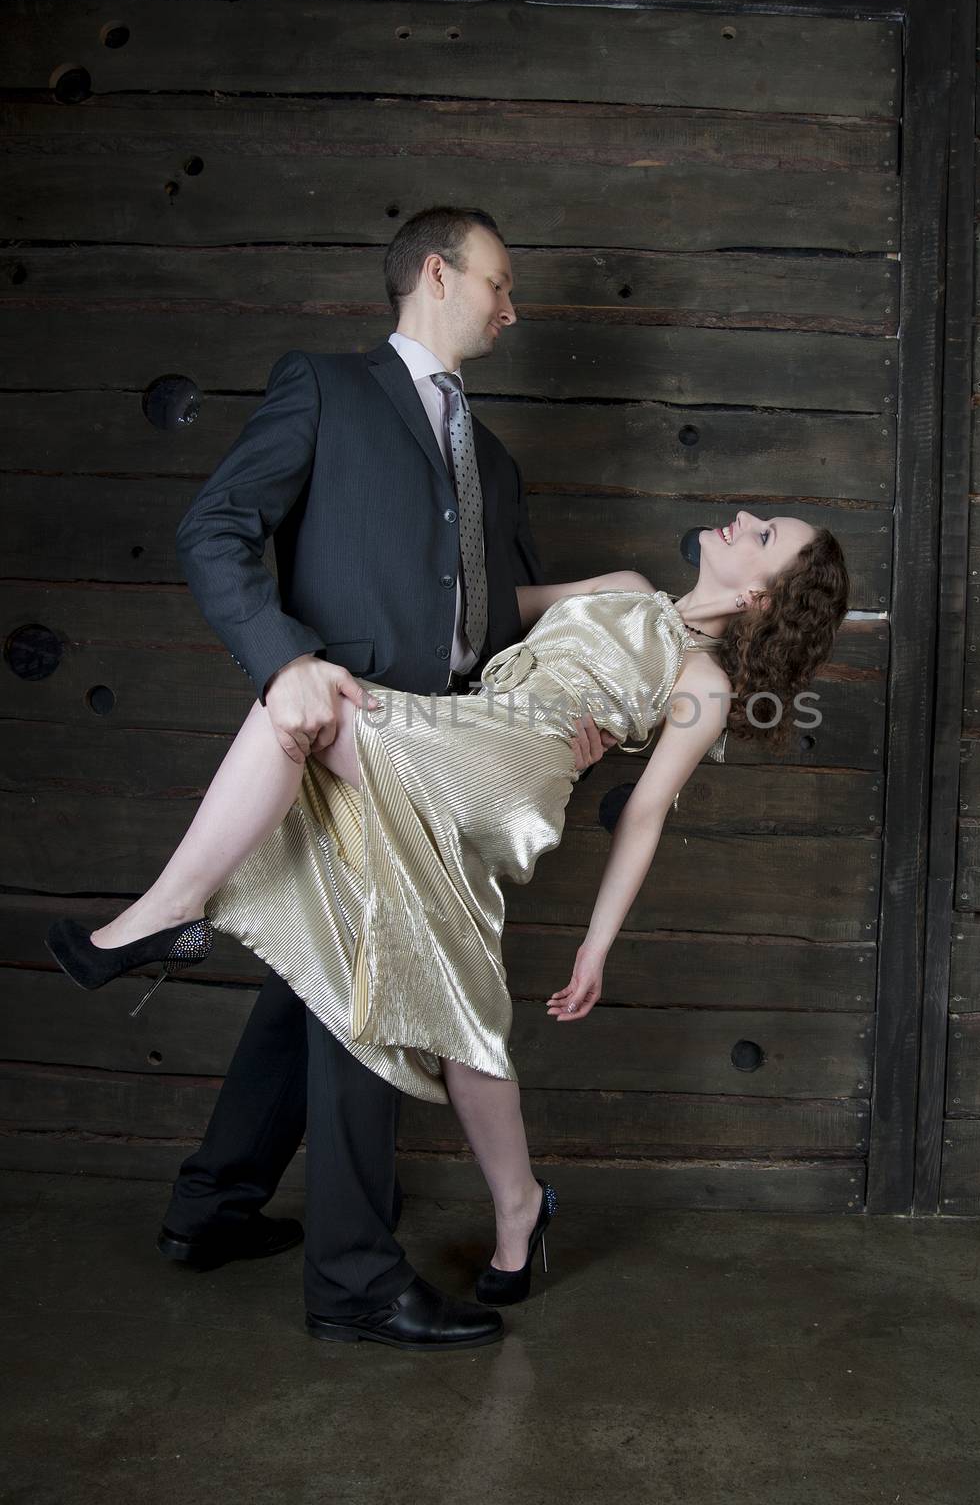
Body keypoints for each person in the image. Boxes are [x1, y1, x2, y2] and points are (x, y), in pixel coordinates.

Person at [47, 513, 850, 1346]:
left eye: (764, 535)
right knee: (459, 990)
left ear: (760, 594)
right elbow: (486, 610)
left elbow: (644, 816)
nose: (743, 519)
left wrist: (596, 944)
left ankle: (171, 913)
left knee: (301, 701)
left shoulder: (705, 683)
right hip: (465, 734)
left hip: (508, 769)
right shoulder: (627, 588)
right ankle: (520, 1207)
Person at [47, 206, 616, 1355]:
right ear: (439, 274)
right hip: (340, 739)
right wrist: (284, 658)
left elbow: (497, 624)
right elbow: (216, 529)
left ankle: (211, 1207)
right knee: (373, 995)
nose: (513, 311)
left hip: (438, 761)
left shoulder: (494, 462)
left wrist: (573, 711)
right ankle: (353, 1278)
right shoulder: (323, 387)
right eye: (500, 285)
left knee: (309, 985)